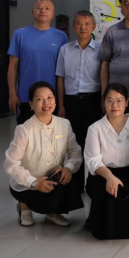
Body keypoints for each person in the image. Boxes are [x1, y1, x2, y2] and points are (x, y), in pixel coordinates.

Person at [4, 81, 83, 227]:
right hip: (28, 183)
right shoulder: (24, 129)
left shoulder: (64, 124)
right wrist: (34, 182)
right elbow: (10, 164)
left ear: (55, 100)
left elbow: (75, 152)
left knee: (70, 181)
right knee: (32, 191)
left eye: (50, 97)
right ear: (31, 104)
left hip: (53, 178)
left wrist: (68, 168)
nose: (46, 103)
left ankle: (52, 212)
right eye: (40, 99)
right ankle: (24, 206)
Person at [83, 83, 129, 240]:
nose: (114, 105)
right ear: (103, 103)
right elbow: (93, 160)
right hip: (102, 175)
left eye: (119, 100)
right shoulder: (95, 128)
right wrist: (110, 177)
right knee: (110, 196)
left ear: (127, 102)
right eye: (109, 101)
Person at [56, 10, 102, 189]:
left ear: (93, 26)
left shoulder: (101, 49)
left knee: (93, 142)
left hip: (93, 101)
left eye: (87, 23)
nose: (83, 27)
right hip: (71, 102)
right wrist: (61, 105)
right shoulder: (65, 50)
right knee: (74, 143)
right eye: (79, 23)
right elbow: (60, 79)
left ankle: (93, 184)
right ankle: (74, 185)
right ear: (74, 26)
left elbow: (104, 77)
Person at [8, 0, 68, 124]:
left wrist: (62, 102)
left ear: (53, 14)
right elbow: (12, 66)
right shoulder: (19, 35)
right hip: (26, 97)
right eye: (39, 8)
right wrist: (12, 93)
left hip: (52, 97)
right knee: (26, 134)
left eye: (47, 8)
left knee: (51, 134)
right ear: (32, 12)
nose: (43, 11)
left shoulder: (61, 36)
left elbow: (63, 70)